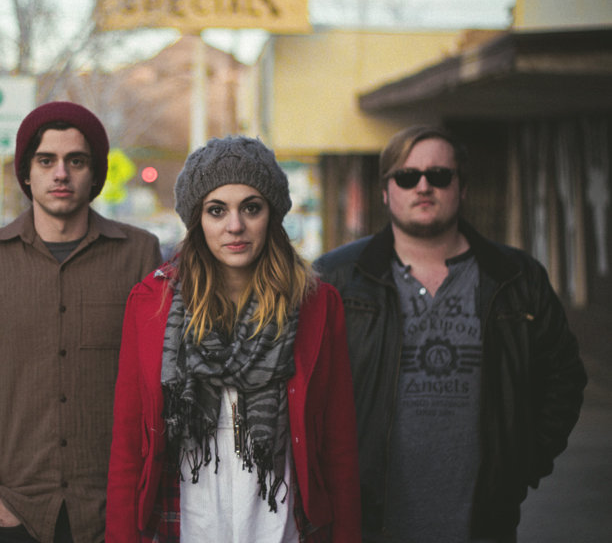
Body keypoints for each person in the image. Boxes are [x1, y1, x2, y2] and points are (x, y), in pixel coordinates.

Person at [315, 125, 588, 543]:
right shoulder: (336, 278)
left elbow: (564, 379)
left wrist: (522, 464)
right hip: (367, 521)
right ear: (385, 191)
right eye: (407, 176)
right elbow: (305, 389)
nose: (424, 186)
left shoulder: (517, 278)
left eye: (439, 175)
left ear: (462, 188)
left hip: (483, 524)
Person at [107, 136, 361, 543]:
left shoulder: (316, 304)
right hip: (185, 523)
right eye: (216, 210)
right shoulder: (151, 303)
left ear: (271, 214)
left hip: (283, 527)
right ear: (197, 219)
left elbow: (339, 446)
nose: (235, 226)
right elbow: (127, 446)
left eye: (251, 208)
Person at [0, 101, 162, 543]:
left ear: (95, 174)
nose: (61, 174)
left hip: (112, 512)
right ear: (26, 173)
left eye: (76, 161)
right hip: (18, 512)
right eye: (46, 161)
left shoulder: (138, 253)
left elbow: (158, 385)